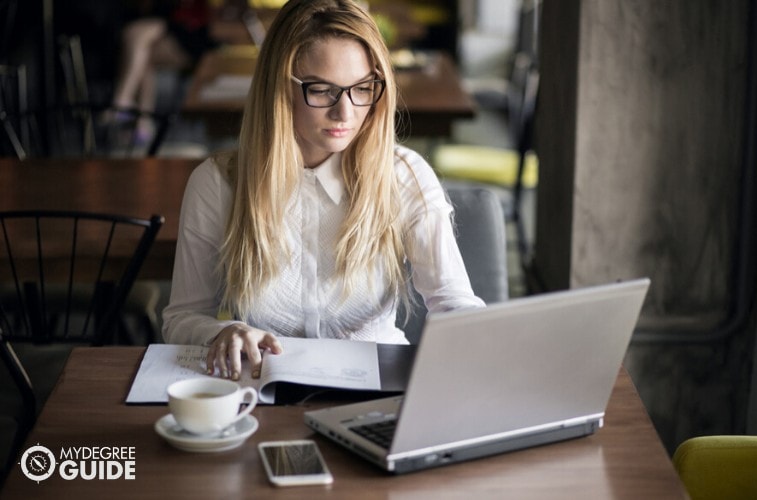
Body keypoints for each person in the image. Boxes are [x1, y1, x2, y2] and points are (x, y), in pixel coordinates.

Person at [162, 0, 485, 381]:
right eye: (322, 90)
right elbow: (181, 318)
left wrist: (479, 336)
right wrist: (221, 331)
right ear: (279, 89)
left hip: (379, 391)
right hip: (263, 393)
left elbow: (454, 303)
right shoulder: (217, 184)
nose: (345, 113)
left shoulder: (404, 176)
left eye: (363, 88)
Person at [108, 0, 219, 138]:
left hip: (191, 29)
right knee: (142, 51)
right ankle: (141, 121)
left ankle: (123, 102)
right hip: (166, 23)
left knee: (136, 35)